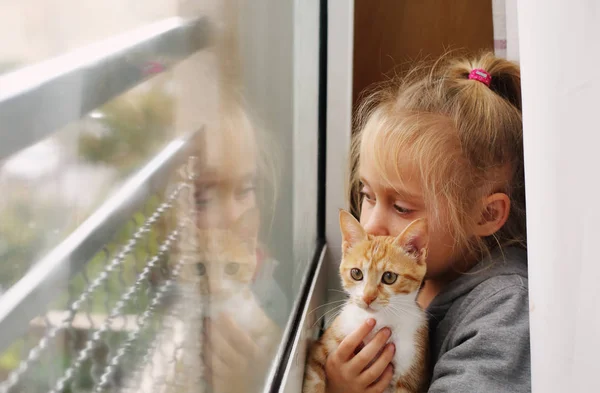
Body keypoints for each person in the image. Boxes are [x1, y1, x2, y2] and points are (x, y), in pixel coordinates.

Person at [324, 52, 530, 392]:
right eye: (367, 195)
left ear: (485, 214)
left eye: (402, 207)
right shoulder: (421, 277)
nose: (372, 226)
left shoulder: (504, 312)